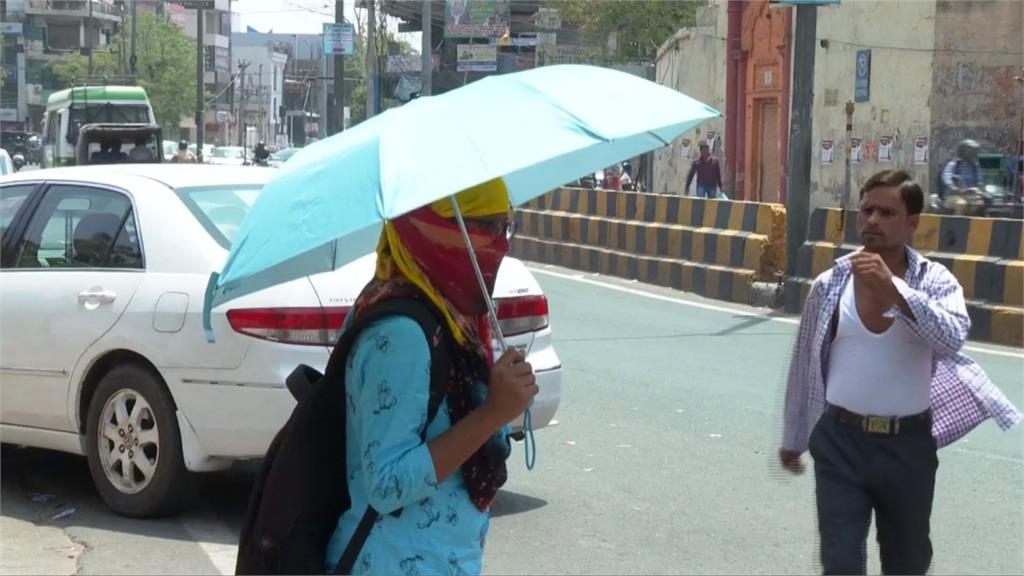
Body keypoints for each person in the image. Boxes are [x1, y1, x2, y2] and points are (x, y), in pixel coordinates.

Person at [779, 169, 1021, 575]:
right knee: (840, 559)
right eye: (867, 210)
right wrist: (794, 436)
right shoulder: (829, 284)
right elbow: (804, 363)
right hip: (840, 442)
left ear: (912, 223)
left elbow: (951, 338)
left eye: (887, 212)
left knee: (907, 561)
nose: (873, 219)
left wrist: (896, 290)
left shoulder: (935, 281)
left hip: (907, 447)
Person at [324, 178, 537, 575]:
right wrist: (492, 413)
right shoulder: (401, 334)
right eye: (484, 227)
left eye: (505, 226)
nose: (502, 245)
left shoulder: (453, 320)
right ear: (424, 230)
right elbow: (387, 484)